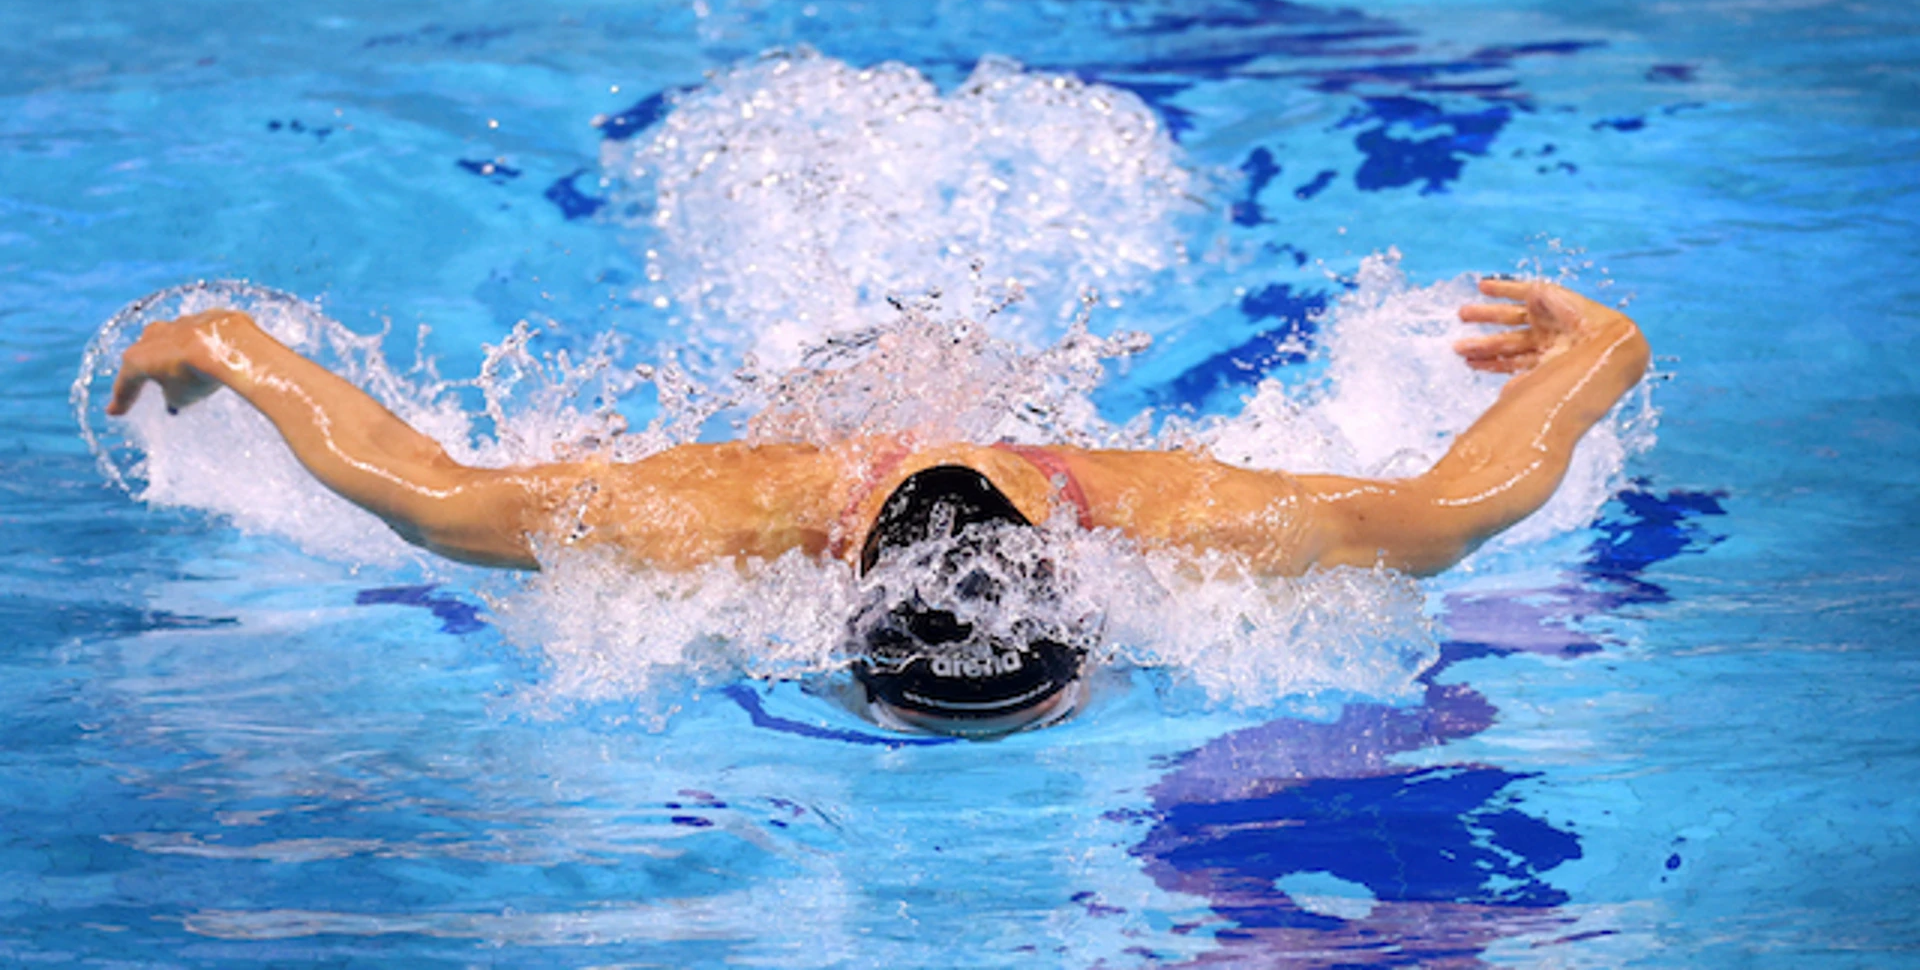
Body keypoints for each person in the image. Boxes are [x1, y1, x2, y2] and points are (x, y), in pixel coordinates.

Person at [106, 278, 1649, 736]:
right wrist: (227, 348)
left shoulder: (1188, 514)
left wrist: (1612, 352)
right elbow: (419, 492)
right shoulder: (706, 512)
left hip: (1000, 403)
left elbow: (1474, 497)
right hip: (815, 403)